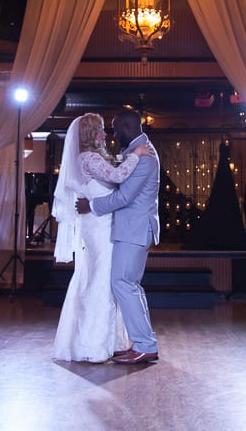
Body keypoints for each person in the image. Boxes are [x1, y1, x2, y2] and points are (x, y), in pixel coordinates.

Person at [52, 113, 151, 363]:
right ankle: (93, 344)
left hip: (100, 226)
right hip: (100, 230)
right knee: (102, 283)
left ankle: (112, 341)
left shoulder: (90, 159)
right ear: (91, 134)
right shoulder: (89, 158)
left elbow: (113, 170)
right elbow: (118, 177)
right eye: (101, 130)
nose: (106, 134)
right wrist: (136, 155)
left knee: (104, 281)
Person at [76, 109, 161, 365]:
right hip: (132, 228)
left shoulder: (144, 156)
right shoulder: (139, 151)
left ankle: (146, 345)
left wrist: (91, 206)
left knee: (122, 283)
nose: (112, 135)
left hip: (134, 229)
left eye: (114, 129)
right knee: (130, 285)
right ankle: (144, 342)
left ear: (126, 127)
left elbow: (125, 197)